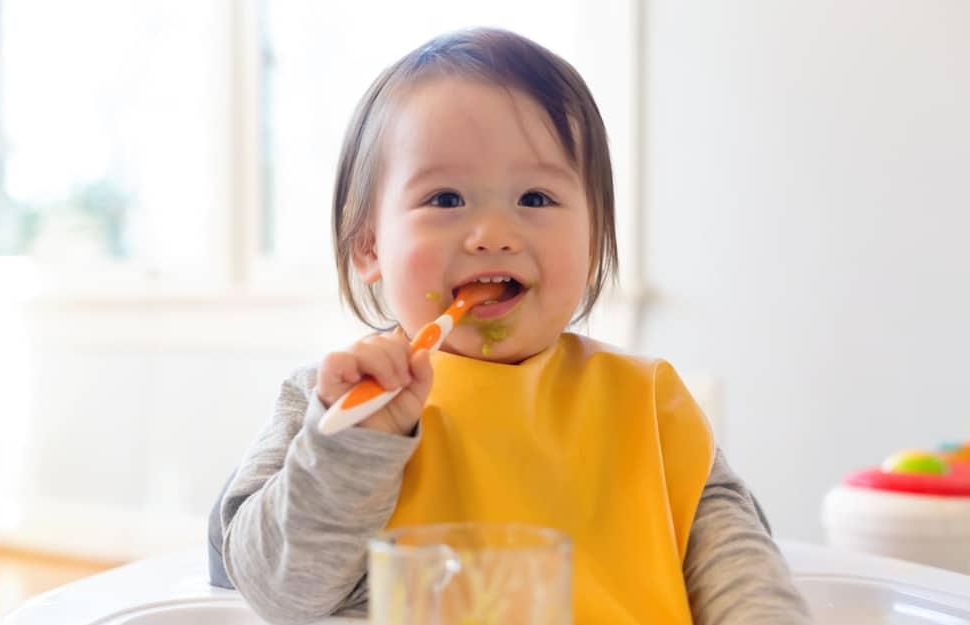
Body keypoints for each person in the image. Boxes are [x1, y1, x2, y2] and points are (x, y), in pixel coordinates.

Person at [207, 27, 812, 625]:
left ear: (595, 237)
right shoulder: (342, 404)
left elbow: (743, 578)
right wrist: (351, 450)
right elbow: (277, 593)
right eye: (445, 199)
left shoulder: (650, 407)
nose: (493, 233)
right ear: (368, 245)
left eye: (536, 199)